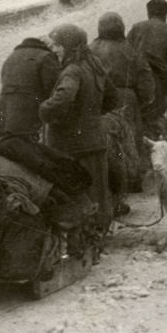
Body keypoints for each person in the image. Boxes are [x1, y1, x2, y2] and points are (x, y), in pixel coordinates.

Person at [39, 24, 119, 238]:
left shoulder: (72, 70)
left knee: (78, 194)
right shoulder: (94, 65)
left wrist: (44, 111)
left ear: (68, 45)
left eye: (57, 45)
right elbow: (113, 98)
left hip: (71, 145)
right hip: (94, 140)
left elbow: (63, 98)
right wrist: (89, 115)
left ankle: (83, 239)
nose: (54, 50)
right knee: (97, 192)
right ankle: (98, 234)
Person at [90, 12, 156, 206]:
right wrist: (145, 100)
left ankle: (107, 179)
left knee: (104, 140)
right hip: (125, 98)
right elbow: (144, 76)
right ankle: (131, 179)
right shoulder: (130, 50)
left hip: (98, 99)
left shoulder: (91, 49)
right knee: (128, 139)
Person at [127, 0, 167, 144]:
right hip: (159, 80)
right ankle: (157, 142)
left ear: (149, 13)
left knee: (139, 111)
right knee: (157, 113)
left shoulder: (136, 28)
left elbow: (126, 51)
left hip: (137, 78)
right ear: (165, 14)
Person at [0, 36, 61, 142]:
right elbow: (52, 89)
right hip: (28, 111)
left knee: (3, 141)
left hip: (3, 111)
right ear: (47, 46)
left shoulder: (12, 56)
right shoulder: (46, 56)